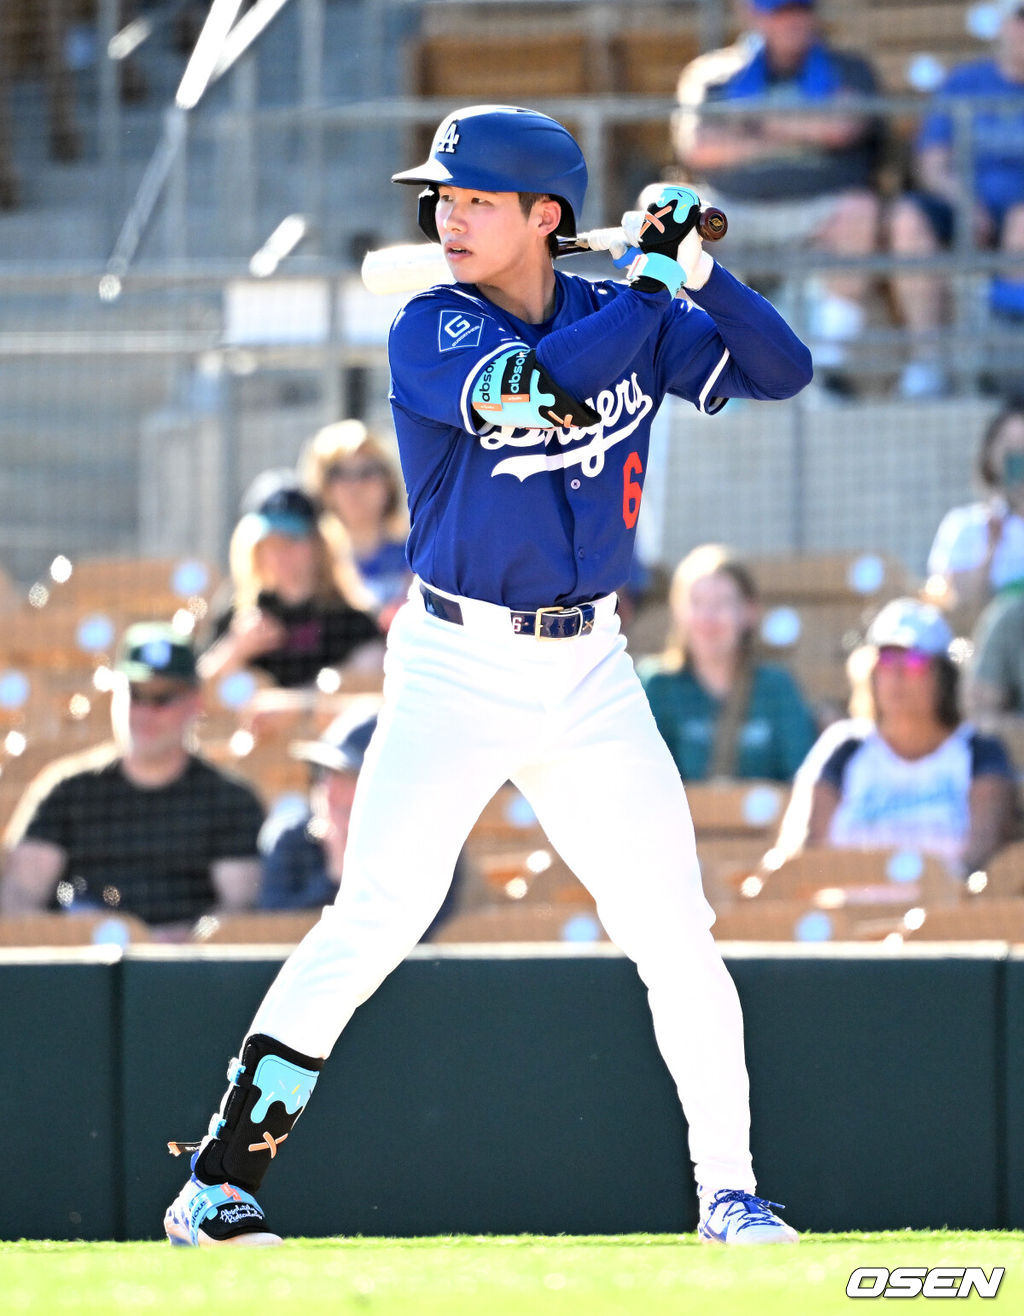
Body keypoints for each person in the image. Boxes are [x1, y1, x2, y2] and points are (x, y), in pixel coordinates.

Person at [163, 103, 812, 1249]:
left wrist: (701, 274)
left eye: (475, 200)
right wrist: (653, 286)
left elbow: (782, 368)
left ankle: (729, 1190)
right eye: (443, 200)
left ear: (545, 214)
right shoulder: (431, 325)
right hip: (456, 662)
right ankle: (217, 1181)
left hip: (592, 665)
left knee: (675, 928)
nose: (448, 219)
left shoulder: (625, 311)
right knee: (375, 916)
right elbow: (545, 393)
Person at [0, 623, 265, 934]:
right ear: (115, 696)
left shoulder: (229, 800)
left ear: (196, 703)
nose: (146, 712)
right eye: (135, 695)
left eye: (163, 698)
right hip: (85, 958)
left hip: (185, 962)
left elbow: (239, 911)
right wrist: (75, 939)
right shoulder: (68, 791)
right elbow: (19, 900)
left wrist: (176, 942)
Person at [671, 0, 883, 387]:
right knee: (670, 210)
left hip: (818, 210)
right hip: (730, 211)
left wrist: (750, 122)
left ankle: (827, 368)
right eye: (779, 11)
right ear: (754, 14)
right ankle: (697, 367)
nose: (791, 21)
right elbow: (698, 146)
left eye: (799, 9)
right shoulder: (712, 72)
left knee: (860, 209)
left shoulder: (848, 68)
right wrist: (802, 130)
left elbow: (842, 128)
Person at [771, 597, 1019, 879]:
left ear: (944, 676)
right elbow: (801, 855)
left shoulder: (980, 751)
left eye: (914, 661)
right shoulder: (843, 748)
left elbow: (980, 856)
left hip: (945, 906)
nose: (897, 674)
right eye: (886, 660)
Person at [887, 0, 1024, 399]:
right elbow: (932, 163)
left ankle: (1003, 362)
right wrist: (965, 205)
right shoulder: (965, 82)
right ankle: (927, 361)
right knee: (907, 219)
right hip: (967, 204)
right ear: (1004, 24)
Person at [259, 703, 464, 936]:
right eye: (325, 773)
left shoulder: (431, 847)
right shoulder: (293, 840)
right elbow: (271, 929)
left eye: (348, 776)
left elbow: (422, 936)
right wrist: (334, 876)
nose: (329, 790)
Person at [638, 544, 818, 782]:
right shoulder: (657, 686)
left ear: (749, 612)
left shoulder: (776, 688)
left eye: (721, 603)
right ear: (677, 610)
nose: (708, 618)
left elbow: (801, 778)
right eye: (696, 603)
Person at [200, 470, 385, 691]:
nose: (280, 552)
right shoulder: (238, 614)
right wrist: (235, 650)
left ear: (318, 544)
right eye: (269, 542)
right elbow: (194, 690)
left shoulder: (350, 620)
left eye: (291, 539)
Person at [299, 419, 412, 626]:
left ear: (388, 481)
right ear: (323, 485)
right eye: (339, 473)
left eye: (367, 472)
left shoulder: (418, 549)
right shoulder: (309, 554)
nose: (355, 486)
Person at [925, 398, 1024, 626]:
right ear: (989, 455)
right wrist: (989, 551)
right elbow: (955, 609)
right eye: (1009, 447)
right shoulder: (966, 525)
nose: (1018, 457)